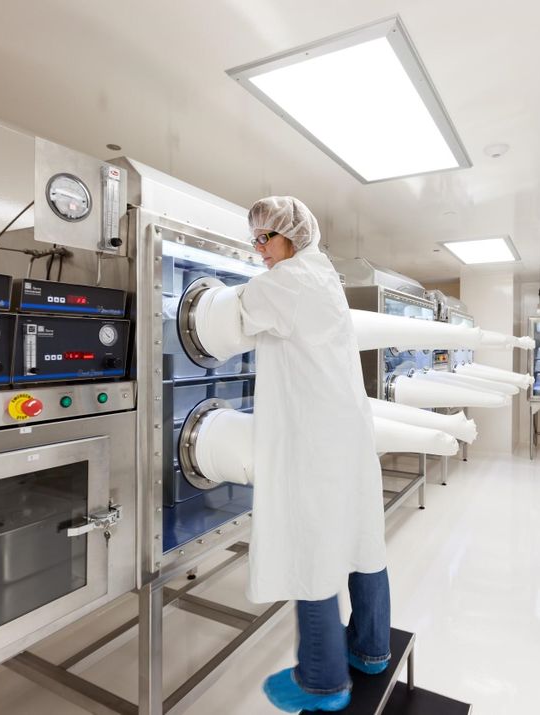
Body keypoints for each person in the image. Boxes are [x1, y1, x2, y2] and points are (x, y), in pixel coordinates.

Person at [236, 196, 390, 712]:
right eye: (254, 239)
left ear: (293, 236)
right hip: (346, 434)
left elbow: (232, 315)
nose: (259, 250)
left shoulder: (288, 281)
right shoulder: (323, 276)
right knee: (362, 538)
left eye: (266, 238)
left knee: (313, 549)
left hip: (314, 442)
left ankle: (322, 681)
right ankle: (371, 650)